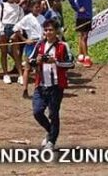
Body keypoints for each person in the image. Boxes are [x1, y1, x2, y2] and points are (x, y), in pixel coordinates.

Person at [29, 19, 74, 150]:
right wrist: (36, 61)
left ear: (56, 31)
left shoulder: (63, 46)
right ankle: (51, 131)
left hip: (56, 86)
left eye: (51, 30)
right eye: (46, 30)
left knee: (53, 113)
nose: (48, 32)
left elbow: (71, 63)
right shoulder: (40, 45)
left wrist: (56, 62)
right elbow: (30, 60)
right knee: (37, 112)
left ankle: (52, 141)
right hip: (41, 84)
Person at [12, 0, 45, 97]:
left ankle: (37, 89)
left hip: (40, 44)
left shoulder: (42, 18)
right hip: (31, 45)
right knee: (27, 68)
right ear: (31, 8)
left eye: (39, 7)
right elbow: (16, 28)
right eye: (36, 7)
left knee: (39, 68)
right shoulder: (27, 18)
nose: (38, 9)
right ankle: (25, 89)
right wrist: (25, 39)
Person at [0, 0, 24, 83]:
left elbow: (21, 21)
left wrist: (17, 32)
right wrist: (1, 31)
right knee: (4, 52)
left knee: (17, 53)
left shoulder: (19, 8)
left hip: (14, 30)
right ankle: (6, 74)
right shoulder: (1, 6)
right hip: (3, 29)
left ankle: (20, 75)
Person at [67, 0, 94, 67]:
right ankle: (86, 57)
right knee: (84, 36)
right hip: (82, 15)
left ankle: (81, 55)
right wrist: (77, 8)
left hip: (88, 14)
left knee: (84, 36)